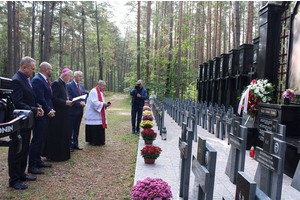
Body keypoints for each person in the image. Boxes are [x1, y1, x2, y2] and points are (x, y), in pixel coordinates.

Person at [9, 56, 44, 190]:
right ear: (24, 67)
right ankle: (14, 179)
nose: (33, 71)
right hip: (19, 121)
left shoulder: (26, 80)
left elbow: (29, 98)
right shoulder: (17, 80)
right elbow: (18, 102)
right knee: (17, 150)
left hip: (26, 121)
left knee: (24, 150)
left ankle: (21, 174)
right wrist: (33, 109)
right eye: (32, 69)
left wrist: (37, 107)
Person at [28, 62, 55, 175]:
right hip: (41, 114)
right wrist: (48, 111)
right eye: (51, 69)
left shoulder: (44, 80)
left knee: (41, 139)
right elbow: (41, 98)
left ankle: (38, 160)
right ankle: (32, 165)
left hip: (45, 113)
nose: (52, 71)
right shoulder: (38, 80)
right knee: (37, 140)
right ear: (45, 69)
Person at [42, 68, 73, 161]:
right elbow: (53, 98)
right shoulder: (57, 83)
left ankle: (62, 154)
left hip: (63, 114)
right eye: (70, 76)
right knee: (57, 135)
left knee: (63, 134)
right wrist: (65, 102)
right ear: (65, 75)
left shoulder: (63, 84)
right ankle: (55, 155)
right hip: (57, 115)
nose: (71, 78)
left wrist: (68, 101)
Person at [84, 80, 110, 145]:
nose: (104, 87)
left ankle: (99, 140)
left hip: (98, 112)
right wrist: (103, 104)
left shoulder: (101, 92)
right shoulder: (94, 91)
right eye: (103, 86)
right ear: (99, 85)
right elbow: (94, 103)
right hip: (93, 113)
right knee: (94, 127)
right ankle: (94, 141)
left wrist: (104, 104)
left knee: (98, 126)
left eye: (105, 86)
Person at [67, 71, 87, 152]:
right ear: (75, 77)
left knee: (77, 128)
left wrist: (84, 102)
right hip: (72, 111)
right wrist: (79, 104)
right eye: (79, 76)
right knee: (70, 128)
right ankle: (70, 144)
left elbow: (84, 95)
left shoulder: (81, 86)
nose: (80, 78)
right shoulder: (69, 85)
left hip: (80, 111)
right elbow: (70, 98)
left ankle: (75, 143)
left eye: (81, 76)